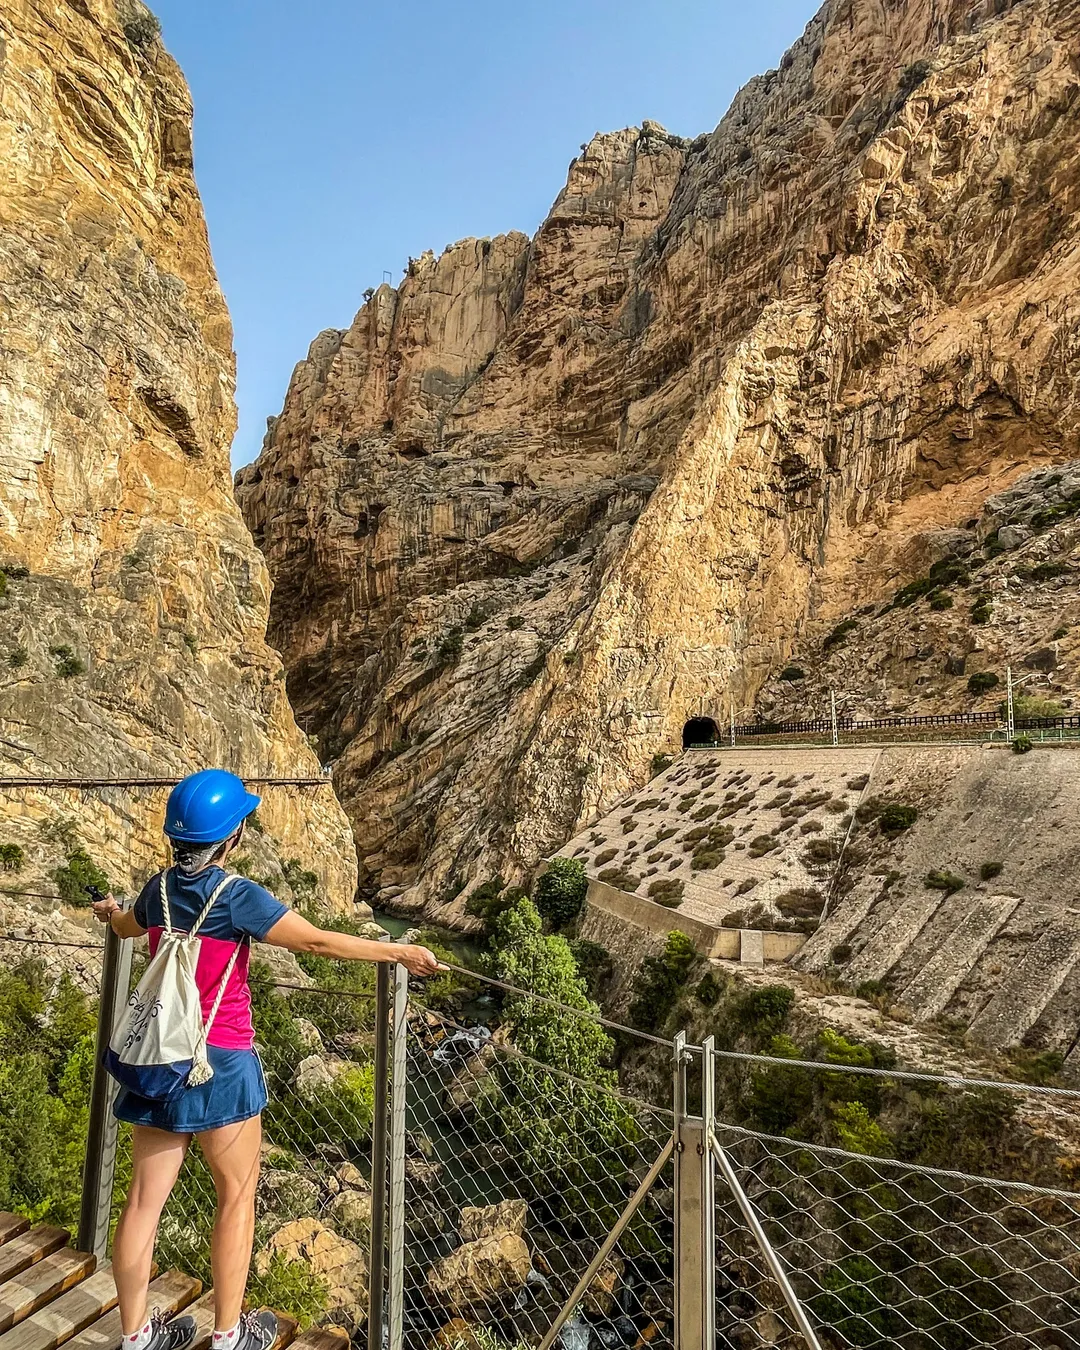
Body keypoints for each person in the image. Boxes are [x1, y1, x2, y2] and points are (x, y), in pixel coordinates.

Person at [93, 769, 439, 1350]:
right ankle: (228, 1335)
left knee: (142, 1204)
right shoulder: (236, 897)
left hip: (157, 1061)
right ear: (230, 838)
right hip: (221, 1064)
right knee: (236, 1197)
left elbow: (127, 926)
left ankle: (136, 1337)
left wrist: (112, 912)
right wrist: (396, 950)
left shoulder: (156, 891)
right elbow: (316, 942)